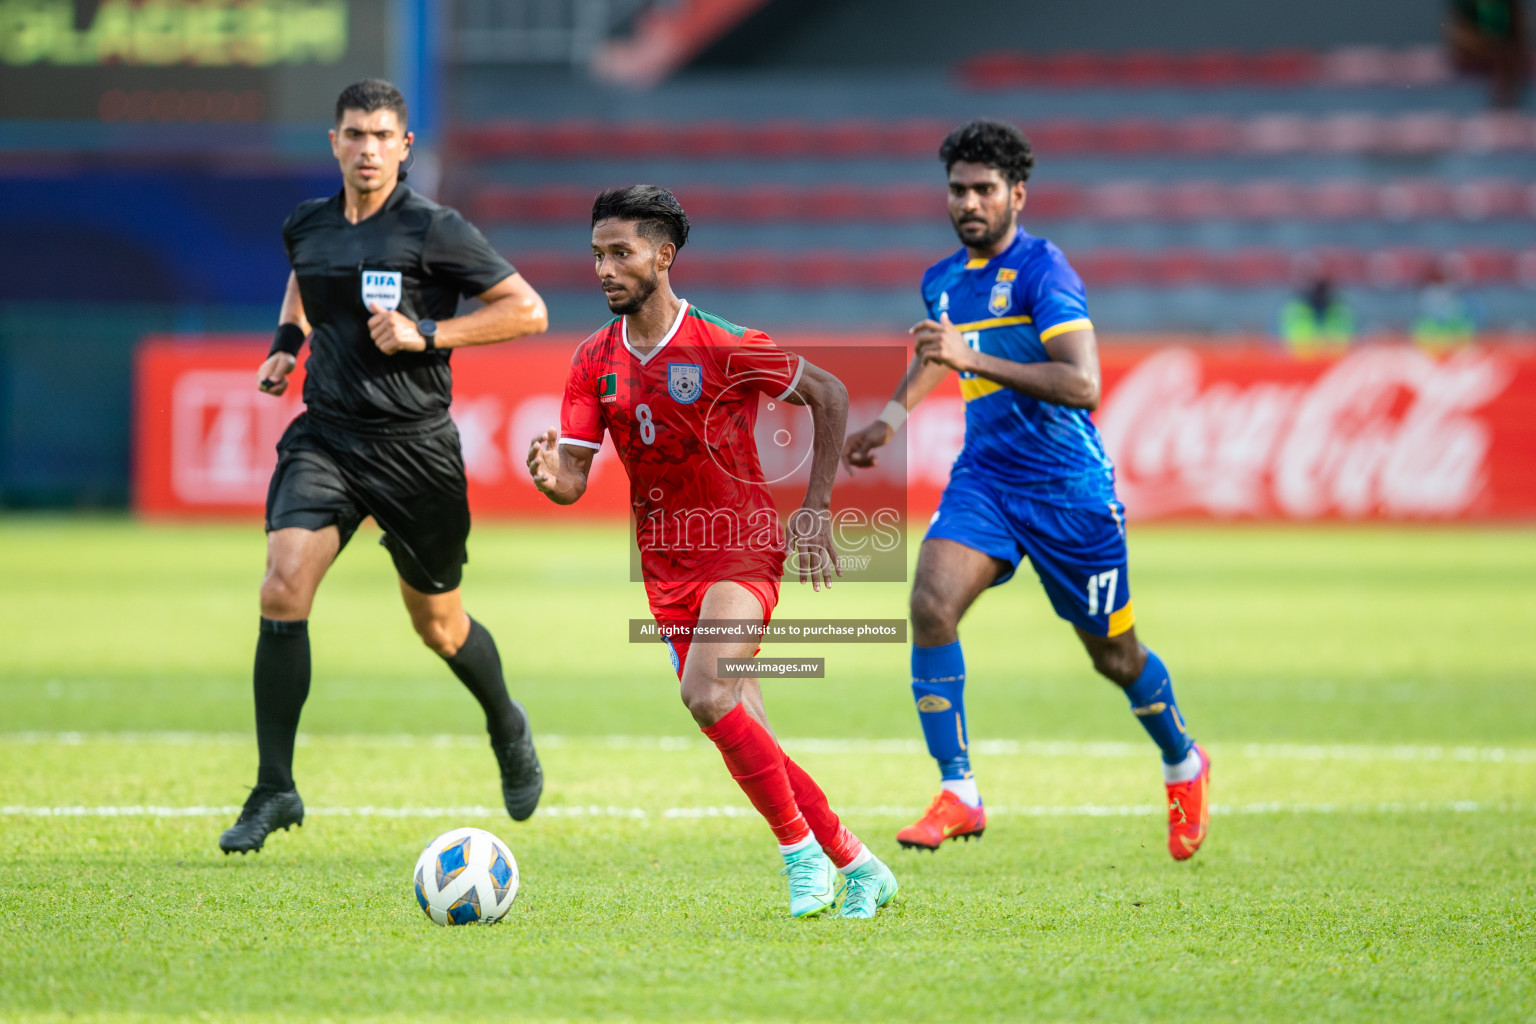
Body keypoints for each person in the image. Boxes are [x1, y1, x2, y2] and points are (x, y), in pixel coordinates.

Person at [526, 185, 899, 918]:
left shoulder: (721, 344)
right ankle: (859, 865)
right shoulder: (589, 361)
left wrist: (816, 511)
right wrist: (549, 479)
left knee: (704, 694)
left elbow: (828, 391)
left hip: (740, 545)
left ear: (663, 258)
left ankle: (798, 855)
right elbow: (572, 478)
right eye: (598, 254)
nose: (605, 268)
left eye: (621, 253)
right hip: (663, 566)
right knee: (740, 721)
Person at [842, 120, 1209, 861]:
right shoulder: (943, 278)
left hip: (1069, 491)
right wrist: (888, 420)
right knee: (929, 603)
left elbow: (1084, 383)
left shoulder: (1046, 272)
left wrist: (971, 353)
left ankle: (1183, 760)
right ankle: (961, 792)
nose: (969, 202)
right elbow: (939, 355)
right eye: (958, 190)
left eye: (984, 189)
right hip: (988, 478)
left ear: (1017, 194)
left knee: (1114, 656)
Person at [219, 79, 550, 854]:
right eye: (354, 134)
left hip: (415, 451)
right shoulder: (306, 225)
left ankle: (506, 723)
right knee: (281, 585)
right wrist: (285, 347)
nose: (367, 149)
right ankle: (275, 789)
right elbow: (308, 277)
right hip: (327, 436)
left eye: (382, 136)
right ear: (334, 143)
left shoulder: (435, 229)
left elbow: (525, 309)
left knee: (438, 625)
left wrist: (428, 334)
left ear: (404, 148)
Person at [1446, 0, 1531, 108]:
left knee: (1506, 55)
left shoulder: (1510, 8)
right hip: (1478, 48)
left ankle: (1506, 100)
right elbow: (1457, 32)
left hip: (1504, 49)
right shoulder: (1467, 8)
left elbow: (1518, 30)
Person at [1280, 270, 1354, 359]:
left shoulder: (1339, 311)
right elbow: (1293, 340)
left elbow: (1342, 340)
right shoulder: (1297, 310)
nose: (1320, 295)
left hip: (1330, 360)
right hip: (1302, 359)